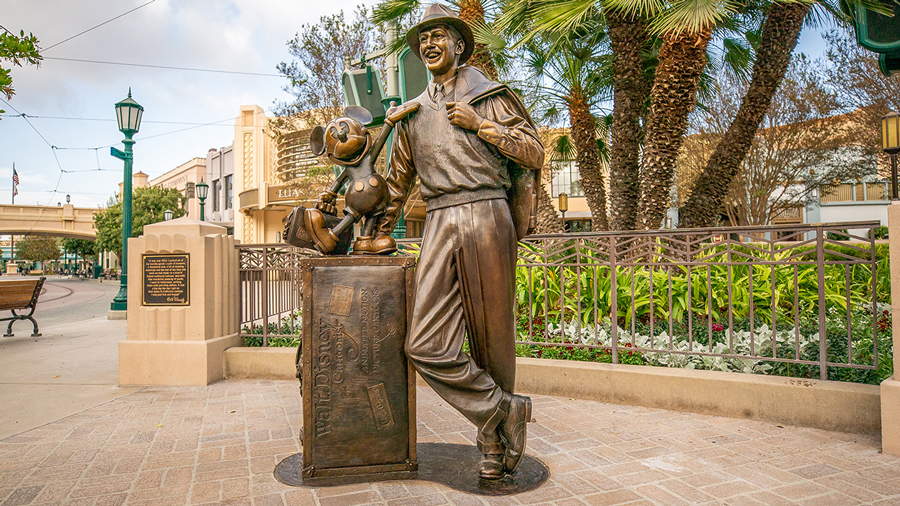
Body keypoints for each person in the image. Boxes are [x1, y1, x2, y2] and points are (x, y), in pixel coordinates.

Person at [371, 4, 545, 480]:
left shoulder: (488, 96)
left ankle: (493, 444)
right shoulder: (411, 113)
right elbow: (395, 185)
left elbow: (534, 151)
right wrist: (365, 223)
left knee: (492, 338)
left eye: (438, 35)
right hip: (439, 220)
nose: (429, 44)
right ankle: (502, 410)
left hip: (488, 213)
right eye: (422, 38)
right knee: (424, 343)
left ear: (460, 44)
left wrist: (481, 125)